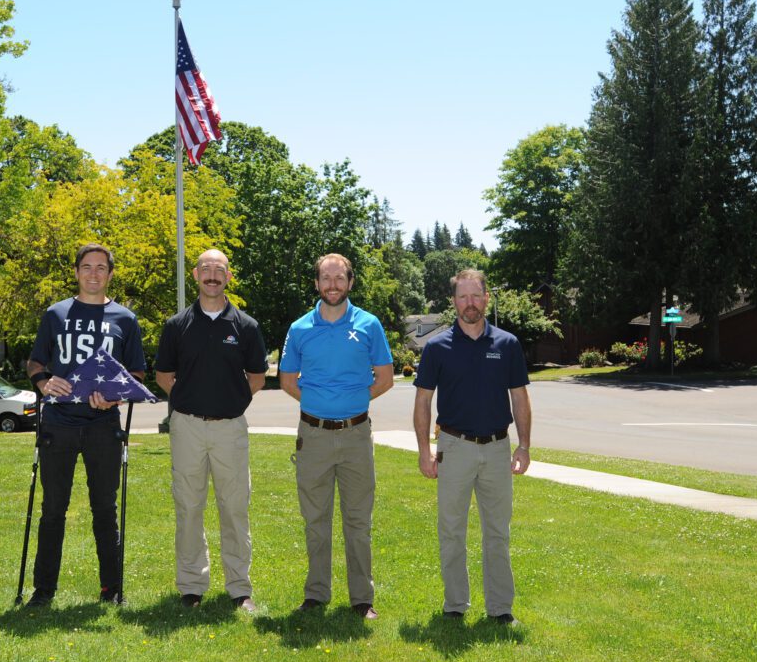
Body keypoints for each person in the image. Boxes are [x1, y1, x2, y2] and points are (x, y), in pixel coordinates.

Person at [24, 243, 146, 607]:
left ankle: (112, 588)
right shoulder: (55, 314)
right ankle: (43, 590)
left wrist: (114, 396)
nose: (93, 274)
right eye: (86, 267)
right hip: (58, 424)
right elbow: (34, 362)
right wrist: (44, 382)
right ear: (76, 272)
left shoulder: (125, 319)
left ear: (110, 274)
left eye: (101, 268)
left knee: (104, 509)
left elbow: (136, 372)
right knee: (53, 509)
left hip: (103, 426)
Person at [413, 268, 531, 625]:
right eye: (463, 297)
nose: (470, 304)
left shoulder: (507, 344)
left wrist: (524, 445)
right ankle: (455, 606)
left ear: (486, 298)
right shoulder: (436, 348)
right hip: (454, 446)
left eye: (476, 296)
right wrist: (423, 450)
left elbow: (520, 400)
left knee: (497, 532)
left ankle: (500, 608)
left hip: (497, 449)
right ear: (453, 302)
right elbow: (422, 403)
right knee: (451, 530)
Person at [279, 253, 393, 619]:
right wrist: (319, 403)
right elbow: (286, 381)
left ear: (350, 282)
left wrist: (353, 401)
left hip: (357, 435)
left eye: (339, 278)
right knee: (316, 520)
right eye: (326, 279)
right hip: (312, 437)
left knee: (358, 521)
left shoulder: (369, 324)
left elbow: (385, 378)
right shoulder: (299, 329)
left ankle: (362, 599)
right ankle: (316, 594)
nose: (332, 285)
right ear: (316, 284)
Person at [154, 249, 268, 612]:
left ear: (229, 277)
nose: (213, 276)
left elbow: (257, 377)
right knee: (188, 507)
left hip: (230, 429)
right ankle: (191, 585)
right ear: (196, 275)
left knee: (234, 509)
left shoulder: (246, 326)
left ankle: (239, 588)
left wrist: (229, 402)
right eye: (206, 269)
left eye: (219, 270)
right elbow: (163, 375)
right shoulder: (176, 325)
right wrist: (190, 401)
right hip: (186, 427)